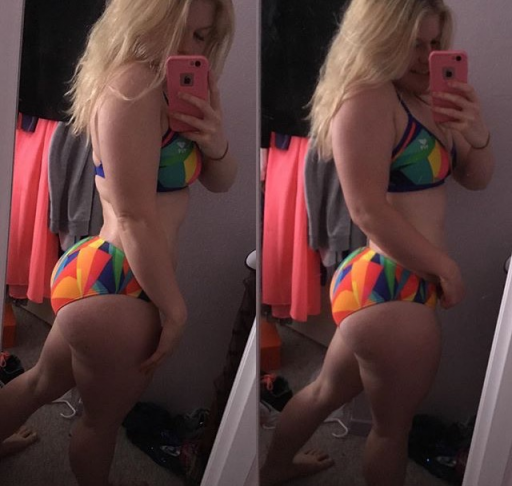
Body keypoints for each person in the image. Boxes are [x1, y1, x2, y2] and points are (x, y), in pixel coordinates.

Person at [0, 0, 236, 484]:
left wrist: (215, 141)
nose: (188, 46)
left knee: (40, 382)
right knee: (101, 422)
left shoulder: (177, 88)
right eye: (177, 29)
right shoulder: (133, 87)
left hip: (109, 278)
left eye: (200, 35)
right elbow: (133, 216)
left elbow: (222, 182)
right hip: (122, 285)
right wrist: (175, 311)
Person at [260, 0, 494, 485]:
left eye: (434, 42)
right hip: (391, 285)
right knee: (391, 431)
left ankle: (275, 469)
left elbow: (477, 179)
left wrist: (476, 133)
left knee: (324, 391)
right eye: (413, 43)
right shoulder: (366, 97)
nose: (425, 56)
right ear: (381, 38)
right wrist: (445, 268)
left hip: (391, 288)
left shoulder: (430, 99)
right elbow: (367, 209)